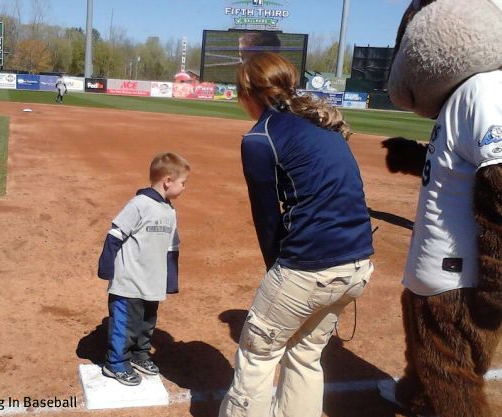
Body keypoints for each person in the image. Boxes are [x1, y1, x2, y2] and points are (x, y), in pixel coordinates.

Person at [219, 52, 374, 417]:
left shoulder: (260, 138)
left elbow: (266, 218)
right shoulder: (322, 124)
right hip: (358, 263)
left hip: (309, 268)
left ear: (247, 93)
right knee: (305, 355)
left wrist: (278, 273)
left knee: (258, 354)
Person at [378, 1, 502, 416]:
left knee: (451, 376)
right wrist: (413, 157)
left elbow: (499, 183)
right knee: (426, 347)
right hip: (438, 263)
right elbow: (457, 165)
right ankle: (418, 400)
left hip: (457, 274)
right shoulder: (466, 93)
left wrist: (496, 279)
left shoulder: (484, 90)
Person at [97, 152, 190, 386]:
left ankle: (139, 354)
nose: (184, 187)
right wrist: (106, 267)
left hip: (152, 281)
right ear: (167, 181)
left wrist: (170, 279)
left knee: (147, 322)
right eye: (183, 182)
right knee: (125, 324)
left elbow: (171, 248)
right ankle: (116, 362)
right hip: (128, 280)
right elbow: (115, 234)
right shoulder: (139, 204)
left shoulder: (169, 211)